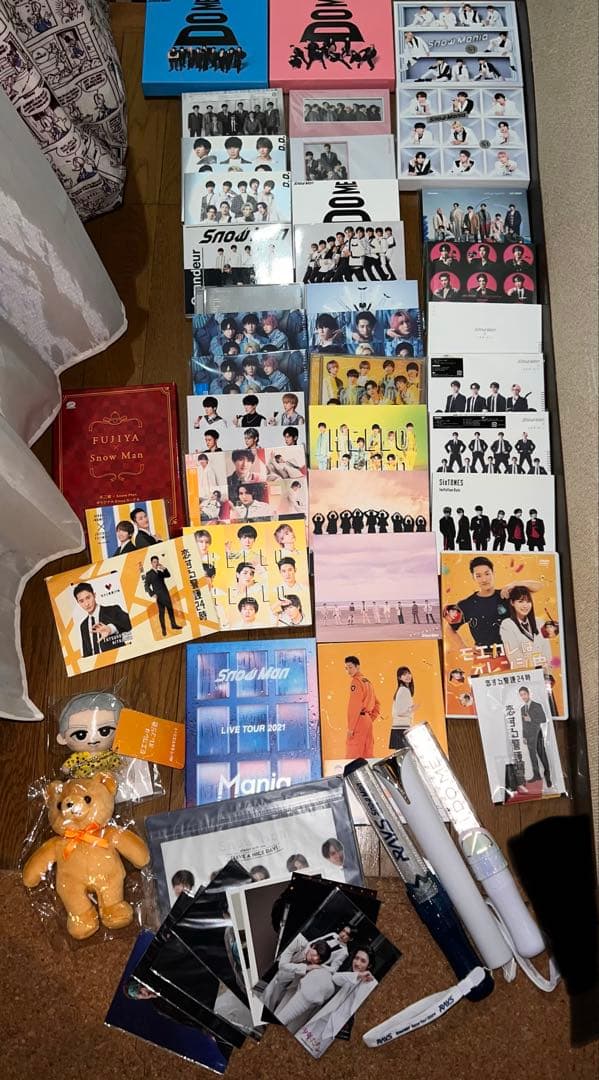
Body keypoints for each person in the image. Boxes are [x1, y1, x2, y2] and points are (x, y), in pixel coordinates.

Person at [446, 555, 541, 650]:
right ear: (473, 577)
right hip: (484, 655)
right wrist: (464, 648)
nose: (484, 579)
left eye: (487, 574)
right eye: (478, 576)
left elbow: (538, 586)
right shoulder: (467, 604)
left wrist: (514, 584)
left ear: (493, 573)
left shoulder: (506, 595)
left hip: (513, 652)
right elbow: (449, 628)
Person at [297, 948, 376, 1056]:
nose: (357, 963)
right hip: (324, 1018)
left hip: (337, 1028)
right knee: (301, 1041)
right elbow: (335, 978)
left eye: (363, 961)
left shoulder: (372, 985)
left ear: (369, 965)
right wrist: (357, 975)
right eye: (356, 958)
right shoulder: (351, 976)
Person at [74, 582, 131, 657]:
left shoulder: (113, 610)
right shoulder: (83, 625)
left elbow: (129, 622)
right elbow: (87, 652)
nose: (86, 604)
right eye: (81, 601)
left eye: (88, 598)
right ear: (78, 603)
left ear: (94, 595)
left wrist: (111, 629)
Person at [344, 655, 380, 758]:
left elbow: (355, 706)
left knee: (353, 754)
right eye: (346, 668)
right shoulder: (367, 682)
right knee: (367, 752)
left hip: (358, 721)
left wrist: (351, 728)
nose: (348, 671)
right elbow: (377, 704)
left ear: (357, 667)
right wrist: (370, 718)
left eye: (350, 667)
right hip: (367, 721)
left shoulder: (356, 682)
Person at [518, 687, 552, 787]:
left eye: (524, 694)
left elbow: (543, 719)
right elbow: (524, 723)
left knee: (542, 755)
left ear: (528, 694)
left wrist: (531, 719)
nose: (523, 696)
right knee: (532, 756)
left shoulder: (537, 705)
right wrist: (524, 736)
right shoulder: (522, 709)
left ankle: (548, 777)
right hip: (529, 736)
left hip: (537, 734)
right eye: (521, 695)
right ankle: (536, 775)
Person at [143, 556, 182, 636]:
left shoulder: (160, 572)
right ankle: (163, 630)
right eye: (154, 562)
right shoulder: (149, 574)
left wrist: (163, 568)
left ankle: (173, 625)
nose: (156, 563)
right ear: (151, 563)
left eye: (157, 562)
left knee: (170, 610)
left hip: (166, 594)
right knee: (162, 613)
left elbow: (168, 575)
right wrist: (152, 594)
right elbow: (146, 586)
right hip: (159, 596)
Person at [390, 667, 416, 748]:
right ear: (399, 678)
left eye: (408, 673)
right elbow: (400, 712)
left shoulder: (403, 689)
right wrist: (412, 709)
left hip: (400, 727)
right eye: (404, 674)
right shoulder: (403, 690)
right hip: (402, 728)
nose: (408, 676)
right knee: (406, 754)